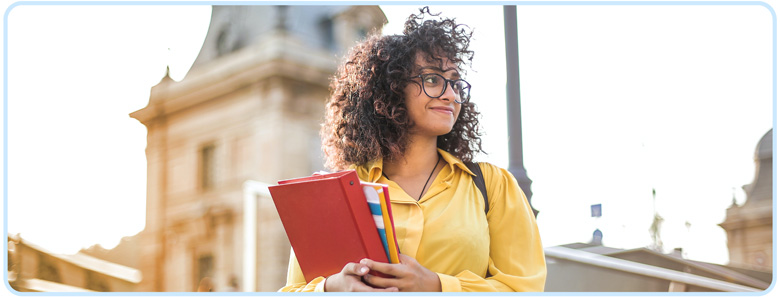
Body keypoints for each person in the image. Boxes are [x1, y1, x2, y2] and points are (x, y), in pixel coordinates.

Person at [279, 7, 546, 292]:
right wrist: (331, 287)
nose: (450, 94)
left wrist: (436, 285)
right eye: (432, 79)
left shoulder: (493, 186)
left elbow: (524, 288)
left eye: (455, 83)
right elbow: (293, 290)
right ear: (391, 89)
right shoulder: (339, 191)